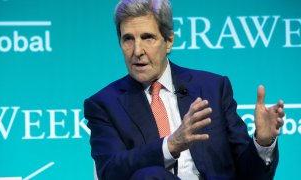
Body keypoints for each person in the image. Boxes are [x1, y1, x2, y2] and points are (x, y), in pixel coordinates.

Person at [84, 0, 285, 179]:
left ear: (168, 41)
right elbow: (109, 170)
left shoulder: (213, 88)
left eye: (147, 37)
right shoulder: (104, 104)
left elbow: (250, 174)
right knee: (150, 175)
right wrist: (170, 146)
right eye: (128, 39)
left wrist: (263, 142)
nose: (137, 51)